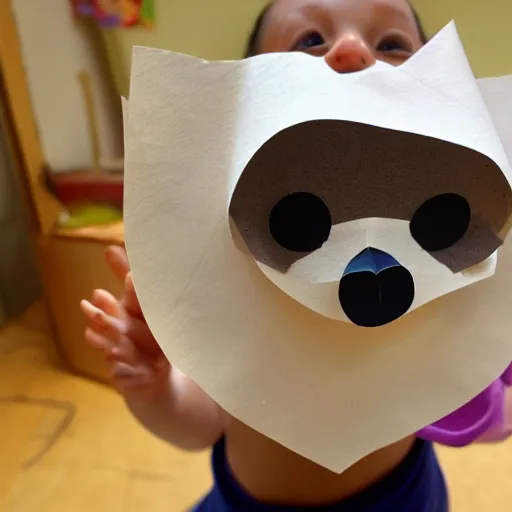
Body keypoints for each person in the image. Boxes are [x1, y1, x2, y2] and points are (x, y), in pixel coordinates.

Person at [80, 1, 500, 510]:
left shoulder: (461, 248)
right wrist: (155, 387)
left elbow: (485, 403)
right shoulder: (229, 261)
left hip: (407, 494)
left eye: (392, 44)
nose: (352, 48)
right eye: (309, 40)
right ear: (250, 93)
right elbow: (200, 425)